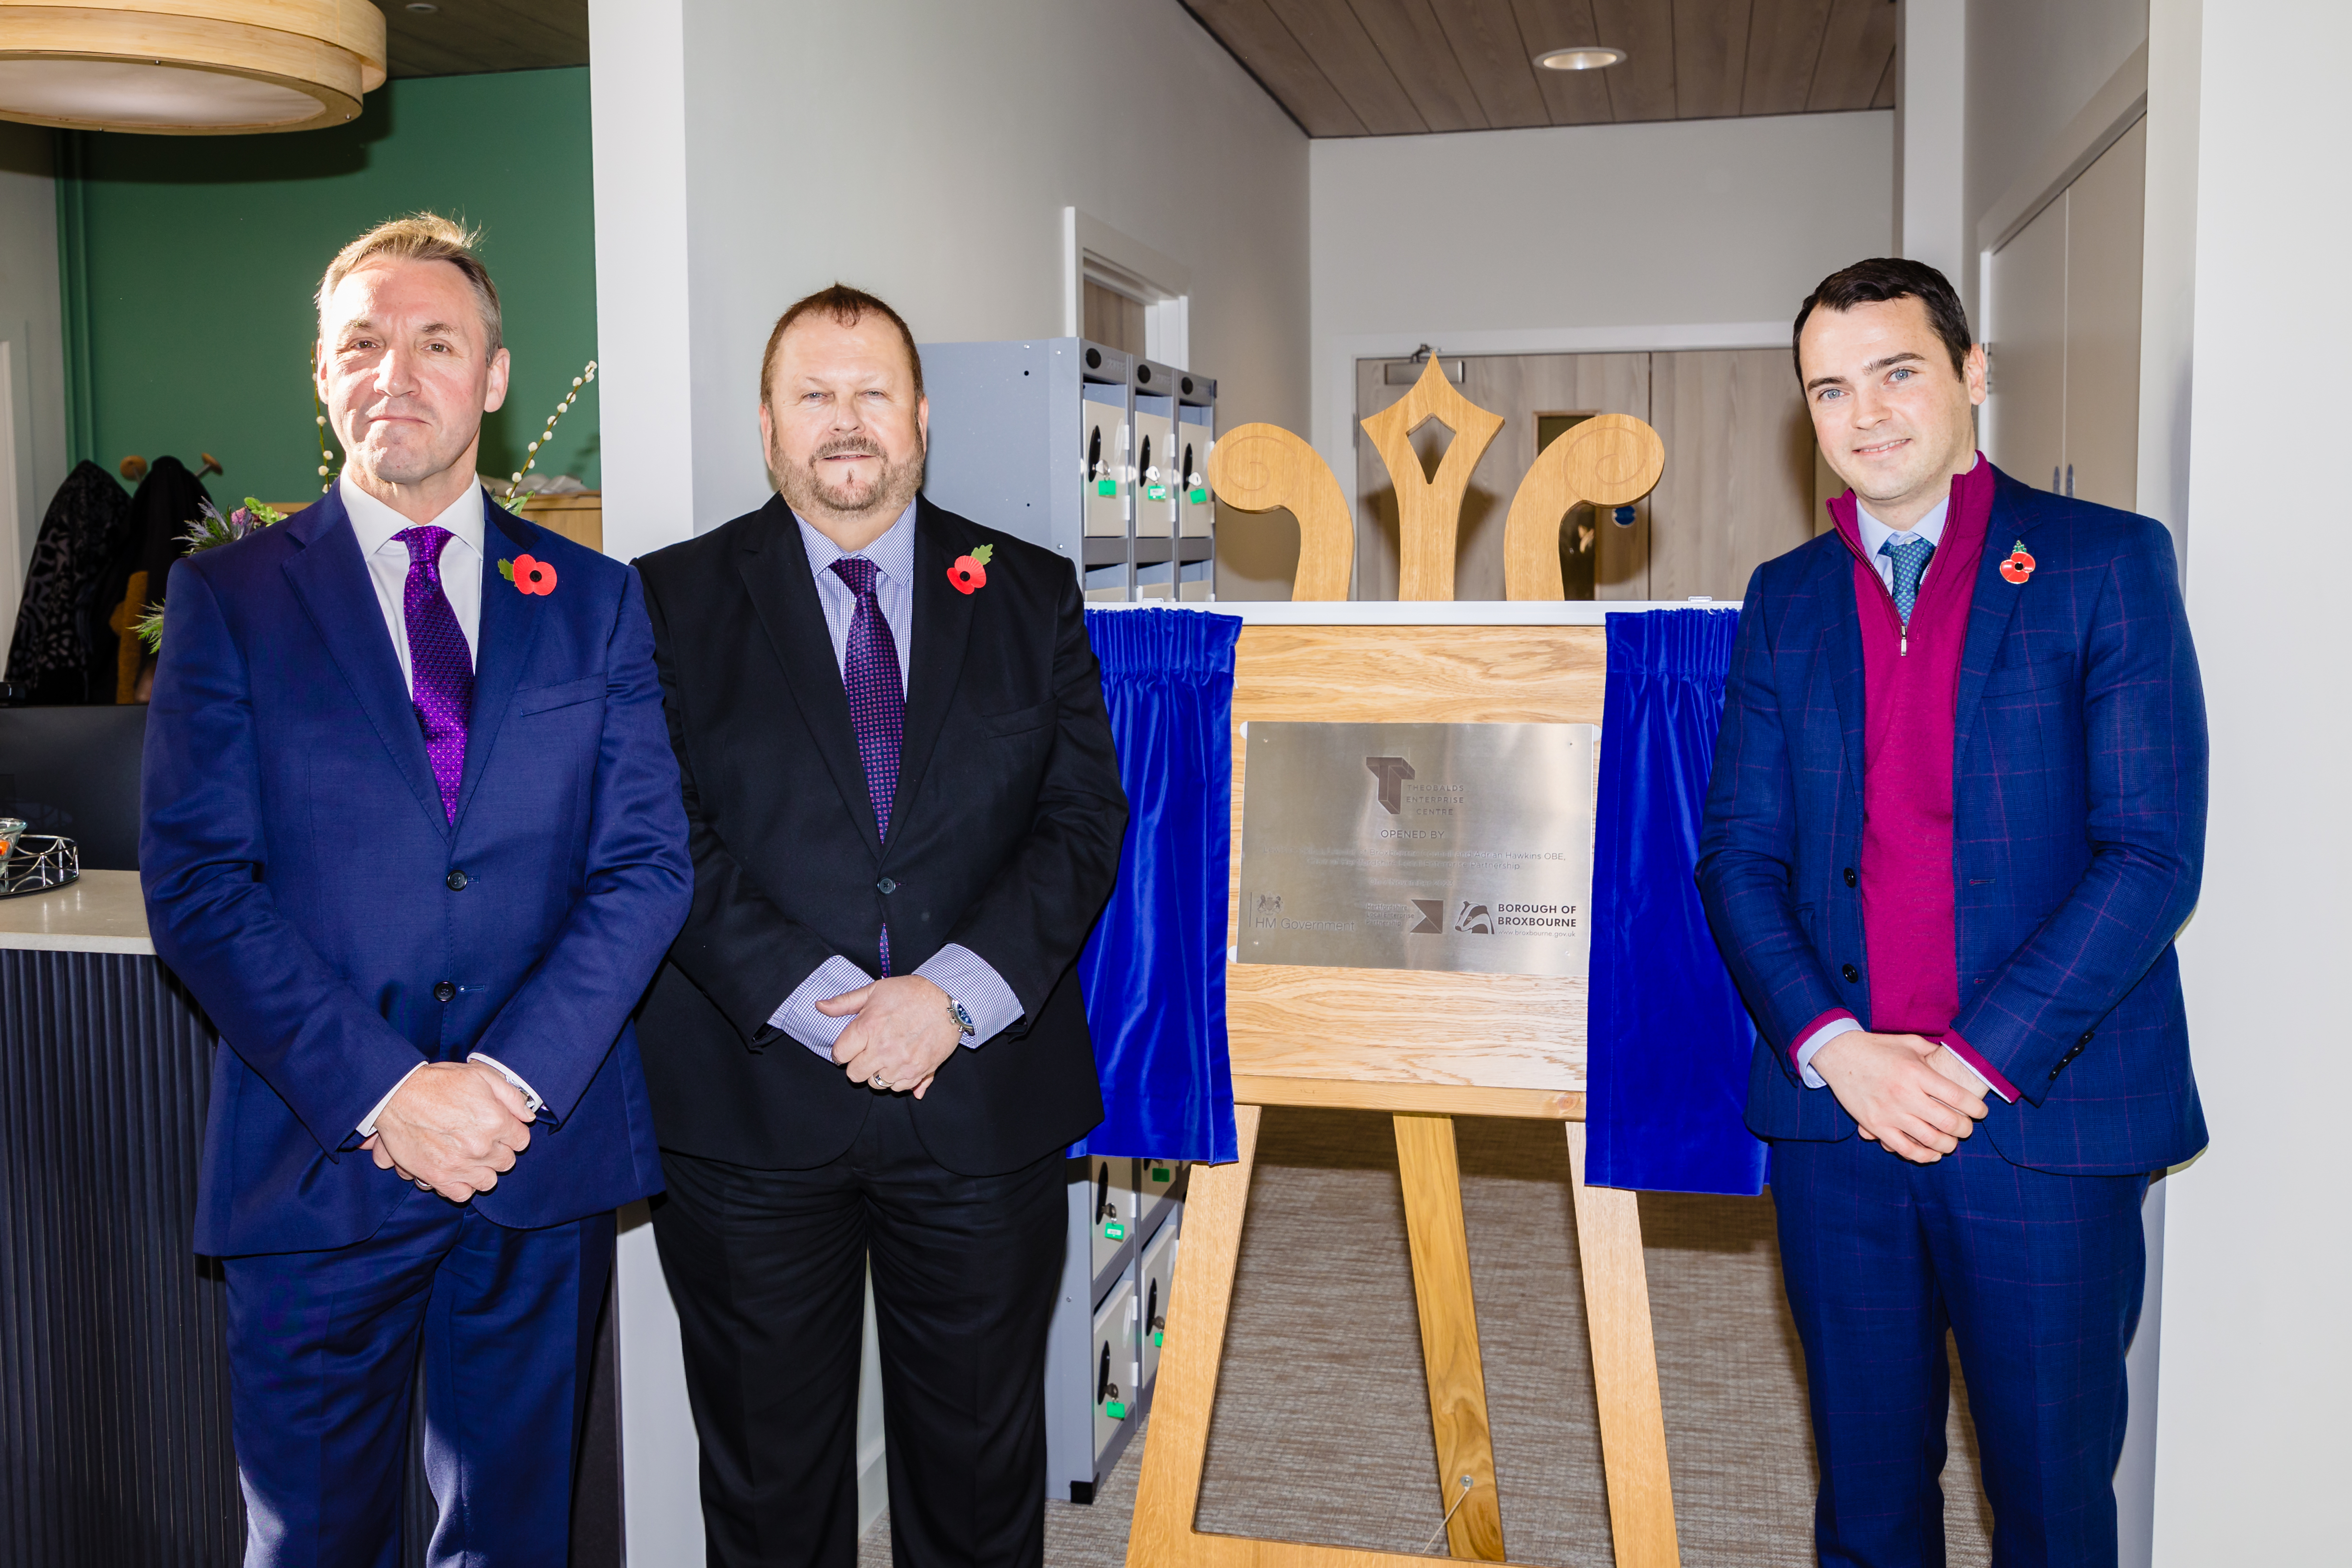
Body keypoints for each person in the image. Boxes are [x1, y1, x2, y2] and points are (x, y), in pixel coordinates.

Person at [140, 214, 691, 1566]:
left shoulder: (596, 600)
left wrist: (500, 1087)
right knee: (313, 1543)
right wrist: (396, 1095)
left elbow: (645, 865)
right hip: (321, 1161)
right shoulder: (229, 599)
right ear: (321, 378)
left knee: (513, 1542)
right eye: (362, 344)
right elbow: (200, 887)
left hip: (530, 1157)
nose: (397, 370)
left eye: (436, 343)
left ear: (493, 379)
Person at [1697, 257, 2207, 1568]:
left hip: (2040, 1120)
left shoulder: (2106, 565)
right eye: (1829, 387)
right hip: (1841, 1123)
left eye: (1897, 370)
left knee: (2049, 1507)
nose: (1865, 412)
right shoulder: (1785, 599)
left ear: (1973, 375)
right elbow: (1738, 859)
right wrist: (1839, 1047)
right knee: (1867, 1505)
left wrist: (1971, 1065)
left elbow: (2150, 857)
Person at [634, 284, 1126, 1568]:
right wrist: (829, 1003)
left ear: (920, 415)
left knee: (976, 1481)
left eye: (870, 393)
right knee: (767, 1490)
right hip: (747, 1117)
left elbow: (1081, 822)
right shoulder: (665, 602)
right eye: (814, 394)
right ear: (767, 425)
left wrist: (948, 998)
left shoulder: (1029, 593)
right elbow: (657, 835)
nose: (844, 422)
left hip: (980, 1107)